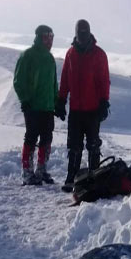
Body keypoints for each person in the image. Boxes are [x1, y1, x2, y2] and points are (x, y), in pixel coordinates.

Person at [56, 19, 110, 192]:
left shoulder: (99, 54)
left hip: (93, 108)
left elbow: (104, 80)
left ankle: (93, 176)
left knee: (93, 145)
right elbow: (65, 79)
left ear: (89, 33)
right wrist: (61, 100)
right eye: (80, 33)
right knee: (74, 146)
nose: (83, 35)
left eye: (85, 32)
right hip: (76, 110)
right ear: (76, 33)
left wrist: (104, 102)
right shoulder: (71, 53)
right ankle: (72, 178)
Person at [13, 25, 58, 185]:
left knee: (47, 138)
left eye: (52, 37)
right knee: (31, 137)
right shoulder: (28, 56)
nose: (50, 40)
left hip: (47, 106)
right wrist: (25, 100)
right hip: (32, 105)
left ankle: (41, 169)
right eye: (47, 37)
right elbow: (18, 80)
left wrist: (57, 102)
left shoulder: (50, 58)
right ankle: (27, 172)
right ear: (39, 37)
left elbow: (53, 83)